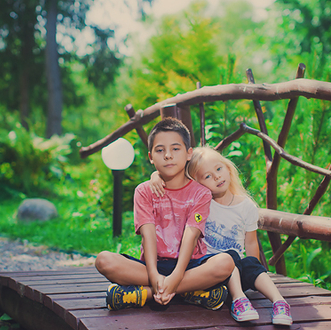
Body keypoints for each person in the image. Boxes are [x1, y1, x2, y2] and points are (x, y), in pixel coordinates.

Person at [95, 118, 235, 311]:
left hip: (189, 266)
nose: (168, 155)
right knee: (104, 260)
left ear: (188, 153)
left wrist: (176, 276)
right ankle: (189, 291)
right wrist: (153, 275)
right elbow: (148, 235)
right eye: (160, 150)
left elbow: (191, 236)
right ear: (151, 156)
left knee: (225, 263)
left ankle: (146, 293)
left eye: (175, 149)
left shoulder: (200, 193)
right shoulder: (144, 191)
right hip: (152, 266)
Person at [150, 146, 292, 325]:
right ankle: (238, 300)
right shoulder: (201, 203)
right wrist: (156, 176)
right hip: (210, 270)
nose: (217, 177)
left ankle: (279, 302)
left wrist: (251, 272)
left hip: (237, 272)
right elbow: (175, 181)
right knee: (228, 258)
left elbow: (251, 243)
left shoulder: (246, 206)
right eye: (207, 176)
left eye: (218, 169)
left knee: (249, 264)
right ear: (196, 183)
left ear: (228, 168)